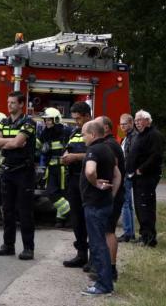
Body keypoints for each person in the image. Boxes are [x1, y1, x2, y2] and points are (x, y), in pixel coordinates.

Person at [0, 91, 37, 261]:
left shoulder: (28, 122)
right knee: (7, 210)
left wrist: (7, 142)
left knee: (25, 212)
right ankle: (8, 245)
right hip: (8, 171)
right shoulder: (3, 122)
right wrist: (11, 143)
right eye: (8, 102)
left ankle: (28, 248)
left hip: (24, 172)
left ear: (21, 105)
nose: (9, 105)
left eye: (13, 103)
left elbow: (19, 142)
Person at [79, 120, 121, 296]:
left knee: (97, 245)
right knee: (100, 242)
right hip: (104, 203)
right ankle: (105, 281)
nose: (82, 138)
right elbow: (117, 175)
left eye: (84, 134)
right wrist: (111, 194)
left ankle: (104, 286)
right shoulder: (108, 149)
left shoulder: (94, 150)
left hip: (94, 204)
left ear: (93, 134)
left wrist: (94, 182)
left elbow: (90, 171)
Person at [61, 101, 92, 268]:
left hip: (87, 178)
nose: (76, 122)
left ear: (87, 115)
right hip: (73, 178)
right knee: (77, 218)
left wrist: (75, 157)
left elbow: (95, 153)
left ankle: (94, 257)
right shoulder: (74, 131)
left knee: (90, 219)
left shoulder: (95, 130)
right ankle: (81, 254)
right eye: (74, 119)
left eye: (78, 119)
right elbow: (68, 148)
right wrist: (65, 156)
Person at [128, 110, 164, 247]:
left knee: (146, 207)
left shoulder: (154, 135)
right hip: (137, 178)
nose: (137, 123)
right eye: (136, 120)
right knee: (139, 207)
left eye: (140, 120)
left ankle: (149, 238)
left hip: (147, 176)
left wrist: (141, 169)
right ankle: (144, 234)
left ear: (148, 121)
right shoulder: (141, 135)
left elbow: (156, 156)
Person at [97, 116, 124, 282]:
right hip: (111, 195)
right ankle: (105, 266)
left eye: (98, 126)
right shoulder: (109, 143)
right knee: (106, 230)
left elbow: (113, 171)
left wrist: (110, 194)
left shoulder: (110, 145)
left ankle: (111, 269)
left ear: (106, 127)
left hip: (112, 195)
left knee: (108, 231)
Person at [38, 107, 71, 227]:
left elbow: (72, 146)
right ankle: (68, 211)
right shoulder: (44, 133)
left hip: (64, 168)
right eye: (45, 120)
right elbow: (37, 145)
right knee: (51, 192)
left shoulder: (66, 131)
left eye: (48, 120)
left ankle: (60, 219)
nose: (46, 122)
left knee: (63, 193)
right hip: (51, 168)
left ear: (56, 120)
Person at [118, 113, 137, 243]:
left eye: (125, 124)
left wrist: (127, 172)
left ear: (131, 123)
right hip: (126, 173)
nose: (122, 126)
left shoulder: (133, 137)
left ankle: (127, 233)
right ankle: (130, 232)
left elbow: (131, 157)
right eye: (121, 124)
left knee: (125, 204)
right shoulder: (126, 136)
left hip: (126, 173)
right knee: (128, 204)